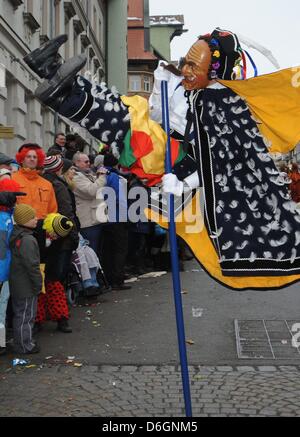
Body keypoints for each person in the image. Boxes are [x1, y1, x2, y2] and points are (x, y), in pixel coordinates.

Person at [23, 30, 300, 290]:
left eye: (194, 66)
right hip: (170, 162)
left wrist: (183, 182)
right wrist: (163, 94)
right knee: (126, 111)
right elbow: (166, 120)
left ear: (213, 72)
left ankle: (63, 94)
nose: (186, 71)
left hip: (183, 177)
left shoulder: (225, 104)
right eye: (186, 63)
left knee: (128, 122)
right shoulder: (195, 96)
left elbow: (224, 162)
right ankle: (51, 72)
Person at [12, 143, 58, 258]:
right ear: (21, 160)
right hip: (19, 229)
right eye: (28, 156)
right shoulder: (13, 179)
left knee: (40, 263)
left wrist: (52, 229)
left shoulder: (47, 184)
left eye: (35, 157)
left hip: (42, 231)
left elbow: (53, 210)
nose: (32, 159)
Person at [94, 153, 131, 290]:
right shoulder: (114, 176)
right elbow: (119, 198)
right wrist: (125, 217)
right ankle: (118, 280)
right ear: (116, 164)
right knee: (120, 249)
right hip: (116, 217)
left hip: (103, 217)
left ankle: (108, 279)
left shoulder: (99, 174)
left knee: (108, 251)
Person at [9, 204, 42, 354]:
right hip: (26, 285)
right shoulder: (28, 240)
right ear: (24, 220)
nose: (36, 219)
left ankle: (23, 341)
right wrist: (38, 284)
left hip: (18, 282)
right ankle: (24, 345)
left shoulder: (17, 235)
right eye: (32, 217)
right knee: (26, 316)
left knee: (21, 314)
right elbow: (32, 266)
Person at [35, 213, 74, 333]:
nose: (56, 238)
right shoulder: (37, 229)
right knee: (37, 294)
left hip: (51, 265)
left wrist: (49, 272)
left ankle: (62, 319)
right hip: (35, 265)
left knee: (56, 290)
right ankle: (36, 321)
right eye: (54, 235)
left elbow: (56, 253)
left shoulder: (61, 235)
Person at [0, 181, 25, 355]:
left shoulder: (6, 216)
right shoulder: (4, 219)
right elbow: (2, 251)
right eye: (15, 200)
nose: (17, 203)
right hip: (3, 272)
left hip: (5, 270)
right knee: (1, 308)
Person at [72, 152, 108, 258]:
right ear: (77, 163)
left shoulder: (85, 175)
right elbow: (92, 191)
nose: (89, 163)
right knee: (90, 254)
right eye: (86, 161)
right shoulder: (76, 177)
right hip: (88, 223)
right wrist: (101, 177)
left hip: (94, 220)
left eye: (89, 161)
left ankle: (95, 274)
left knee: (96, 253)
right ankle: (91, 275)